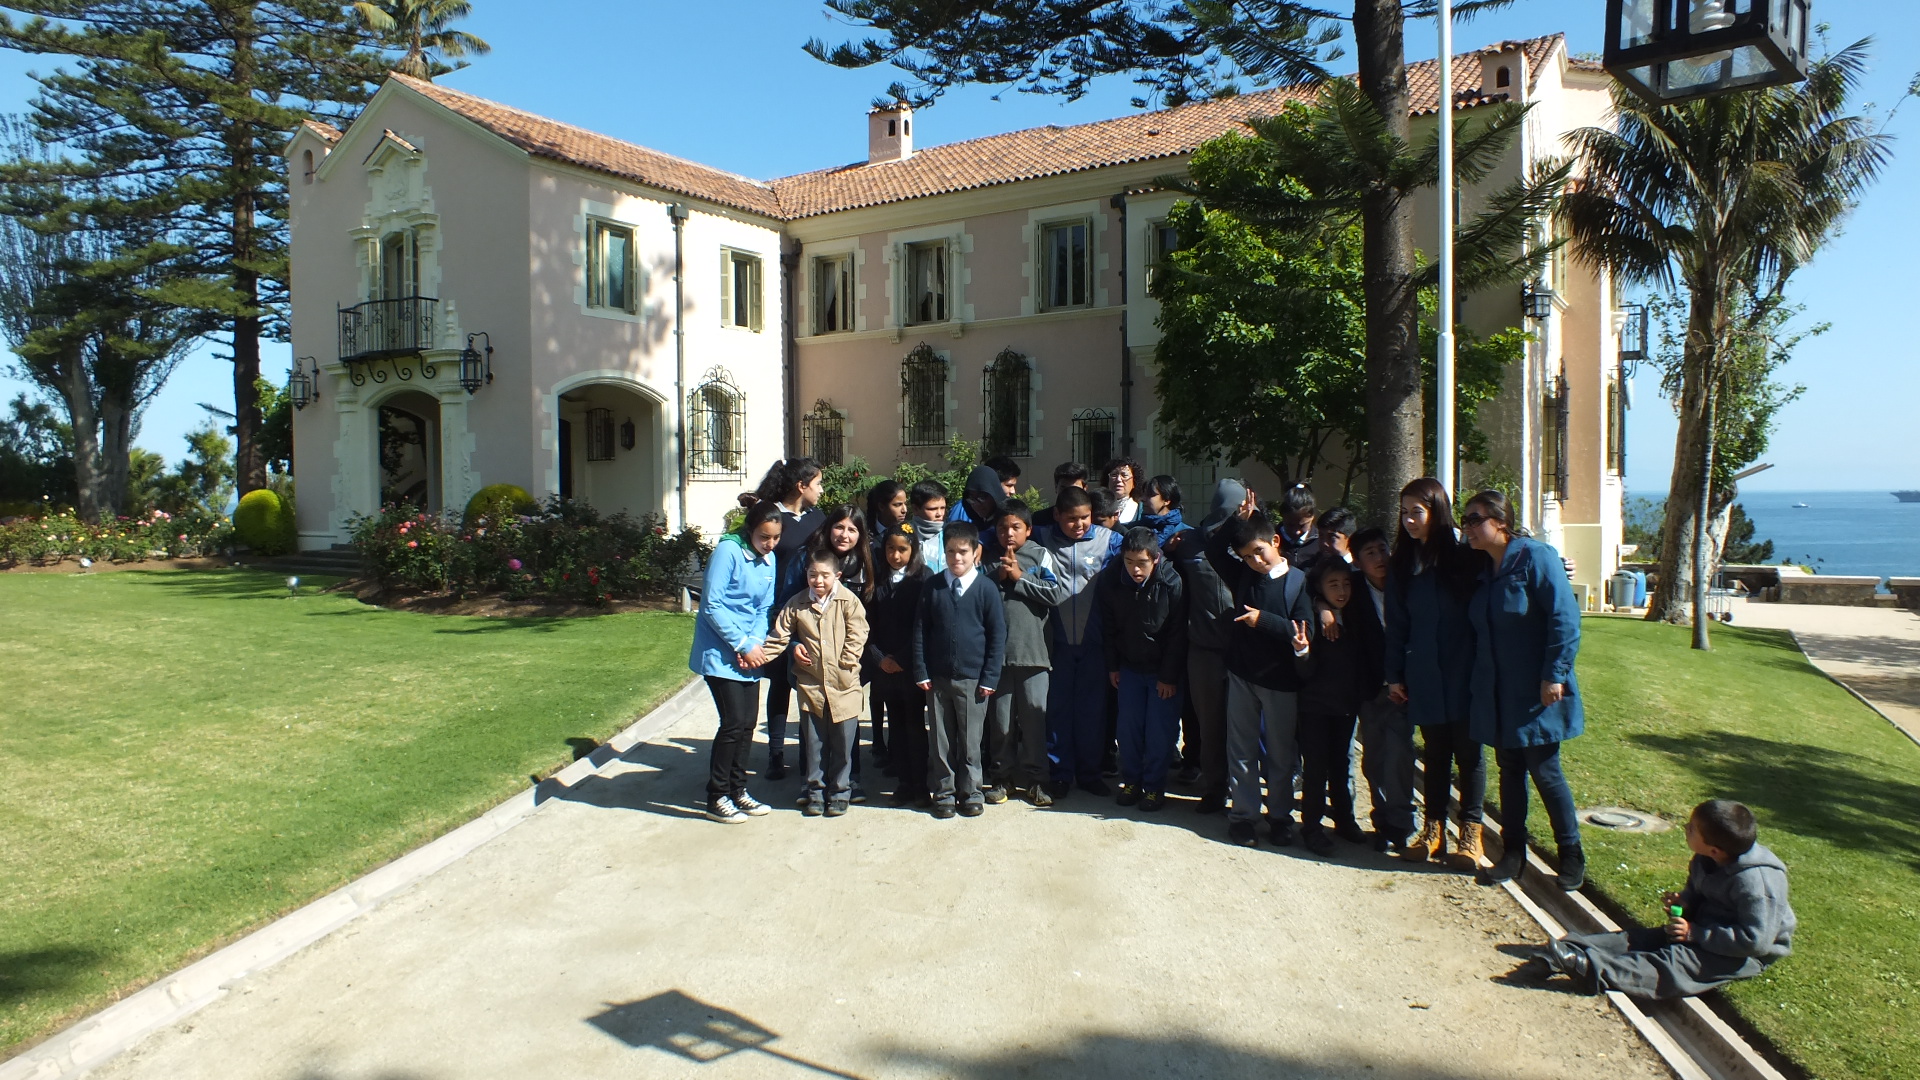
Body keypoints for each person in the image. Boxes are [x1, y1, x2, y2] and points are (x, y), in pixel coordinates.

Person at [1531, 800, 1795, 999]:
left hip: (1741, 953)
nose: (1685, 828)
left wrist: (1695, 933)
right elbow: (1698, 890)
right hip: (1703, 930)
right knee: (1637, 940)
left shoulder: (1757, 883)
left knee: (1673, 963)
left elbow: (1756, 941)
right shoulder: (1705, 859)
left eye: (1691, 829)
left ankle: (1589, 968)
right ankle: (1571, 949)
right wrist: (1687, 903)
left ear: (1714, 848)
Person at [1460, 489, 1587, 890]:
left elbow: (1564, 619)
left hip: (1536, 691)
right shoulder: (1483, 568)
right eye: (1465, 520)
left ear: (1500, 520)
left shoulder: (1536, 557)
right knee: (1510, 771)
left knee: (1545, 771)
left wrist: (1556, 674)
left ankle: (1571, 854)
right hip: (1497, 692)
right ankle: (1513, 854)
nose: (1468, 528)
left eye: (1475, 519)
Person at [1385, 476, 1486, 868]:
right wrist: (1395, 673)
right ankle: (1433, 831)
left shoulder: (1465, 556)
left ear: (1436, 512)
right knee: (1436, 753)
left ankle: (1471, 835)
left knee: (1469, 754)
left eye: (1417, 512)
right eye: (1404, 512)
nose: (1409, 520)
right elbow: (1397, 623)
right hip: (1423, 673)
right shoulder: (1402, 563)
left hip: (1464, 672)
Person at [1208, 490, 1314, 847]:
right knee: (1241, 750)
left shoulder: (1298, 581)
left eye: (1260, 552)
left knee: (1282, 754)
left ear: (1275, 541)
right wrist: (1240, 520)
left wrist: (1261, 620)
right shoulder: (1243, 575)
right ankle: (1243, 816)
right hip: (1241, 674)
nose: (1255, 561)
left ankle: (1281, 817)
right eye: (1247, 556)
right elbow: (1212, 551)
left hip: (1280, 681)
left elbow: (1302, 631)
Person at [689, 499, 782, 824]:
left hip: (749, 652)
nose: (769, 544)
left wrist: (754, 644)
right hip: (720, 651)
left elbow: (764, 608)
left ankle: (738, 790)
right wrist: (740, 644)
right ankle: (717, 796)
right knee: (732, 724)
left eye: (775, 538)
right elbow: (711, 605)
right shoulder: (728, 552)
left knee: (747, 724)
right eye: (763, 537)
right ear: (750, 531)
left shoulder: (769, 560)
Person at [760, 548, 870, 817]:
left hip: (844, 686)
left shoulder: (849, 601)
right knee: (814, 744)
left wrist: (846, 663)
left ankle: (840, 791)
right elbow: (780, 635)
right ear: (806, 575)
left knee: (844, 745)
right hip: (812, 686)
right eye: (813, 575)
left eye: (824, 576)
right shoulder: (797, 604)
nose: (818, 581)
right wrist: (759, 655)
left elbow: (859, 633)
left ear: (837, 575)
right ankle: (814, 791)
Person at [911, 520, 1007, 818]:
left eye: (963, 552)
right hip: (938, 679)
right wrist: (921, 670)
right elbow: (920, 631)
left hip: (974, 680)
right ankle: (944, 794)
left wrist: (990, 677)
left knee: (970, 742)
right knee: (940, 741)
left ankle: (971, 792)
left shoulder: (986, 589)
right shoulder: (933, 586)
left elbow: (997, 635)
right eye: (951, 551)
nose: (956, 558)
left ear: (976, 552)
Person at [1162, 479, 1246, 815]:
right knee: (1210, 726)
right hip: (1204, 651)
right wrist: (1167, 547)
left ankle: (1244, 790)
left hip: (1244, 652)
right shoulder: (1189, 542)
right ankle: (1214, 788)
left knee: (1243, 727)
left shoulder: (1249, 541)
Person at [1098, 527, 1188, 811]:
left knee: (1159, 733)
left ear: (1156, 559)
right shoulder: (1112, 581)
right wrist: (1113, 666)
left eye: (1142, 563)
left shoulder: (1171, 583)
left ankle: (1154, 787)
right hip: (1129, 669)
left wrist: (1168, 676)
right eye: (1129, 562)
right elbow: (1109, 629)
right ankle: (1132, 781)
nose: (1135, 570)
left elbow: (1177, 634)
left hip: (1162, 673)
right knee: (1128, 731)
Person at [984, 500, 1064, 805]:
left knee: (1033, 720)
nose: (1008, 533)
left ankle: (1037, 780)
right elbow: (975, 595)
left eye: (1016, 526)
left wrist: (1020, 578)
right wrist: (997, 578)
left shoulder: (1040, 555)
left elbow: (1055, 594)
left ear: (1028, 530)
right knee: (1000, 723)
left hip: (1034, 654)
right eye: (1003, 527)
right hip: (996, 658)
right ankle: (1001, 778)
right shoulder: (986, 556)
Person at [1039, 486, 1117, 797]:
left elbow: (1146, 556)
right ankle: (1059, 773)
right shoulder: (1041, 538)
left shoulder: (1110, 540)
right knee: (1057, 710)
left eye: (1085, 517)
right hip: (1056, 643)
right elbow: (1006, 533)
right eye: (1071, 519)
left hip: (1093, 643)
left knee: (1091, 712)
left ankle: (1089, 772)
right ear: (1057, 515)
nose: (1079, 524)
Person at [750, 458, 824, 781]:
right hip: (779, 612)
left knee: (811, 681)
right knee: (780, 682)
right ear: (801, 486)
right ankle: (776, 753)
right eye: (818, 484)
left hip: (812, 613)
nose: (821, 491)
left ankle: (814, 754)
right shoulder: (773, 517)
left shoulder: (818, 519)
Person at [1294, 559, 1375, 854]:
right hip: (1315, 706)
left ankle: (1344, 819)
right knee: (1315, 768)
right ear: (1319, 588)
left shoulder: (1355, 615)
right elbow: (1304, 670)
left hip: (1346, 705)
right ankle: (1311, 827)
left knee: (1342, 764)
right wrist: (1302, 651)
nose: (1341, 591)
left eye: (1346, 584)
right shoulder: (1311, 619)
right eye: (1333, 585)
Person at [801, 505, 876, 799]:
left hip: (851, 657)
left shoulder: (867, 563)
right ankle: (811, 785)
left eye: (852, 529)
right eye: (839, 527)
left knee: (846, 718)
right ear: (829, 527)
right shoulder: (809, 561)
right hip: (813, 658)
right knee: (814, 723)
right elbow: (788, 608)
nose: (844, 535)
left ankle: (847, 781)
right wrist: (794, 646)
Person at [1350, 526, 1415, 851]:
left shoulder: (1406, 586)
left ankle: (1402, 823)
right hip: (1371, 689)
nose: (1380, 558)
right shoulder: (1354, 592)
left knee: (1400, 755)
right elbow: (1319, 584)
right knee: (1374, 758)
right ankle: (1382, 820)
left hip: (1404, 689)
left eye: (1382, 549)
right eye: (1370, 553)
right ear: (1357, 562)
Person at [867, 522, 931, 806]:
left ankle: (920, 785)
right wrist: (880, 659)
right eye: (890, 549)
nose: (895, 555)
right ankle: (904, 782)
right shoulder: (875, 579)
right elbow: (866, 625)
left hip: (911, 665)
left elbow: (925, 625)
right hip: (885, 667)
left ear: (913, 550)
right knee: (896, 724)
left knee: (915, 724)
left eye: (902, 549)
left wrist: (903, 658)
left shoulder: (923, 579)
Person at [1294, 506, 1356, 575]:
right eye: (1321, 536)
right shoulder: (1307, 570)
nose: (1324, 543)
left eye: (1332, 538)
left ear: (1350, 539)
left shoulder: (1361, 571)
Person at [1032, 461, 1089, 533]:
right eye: (1064, 488)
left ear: (1085, 489)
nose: (1068, 494)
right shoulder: (1039, 520)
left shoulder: (1093, 520)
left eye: (1074, 489)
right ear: (1056, 487)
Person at [908, 479, 949, 573]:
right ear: (915, 509)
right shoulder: (904, 533)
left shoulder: (952, 533)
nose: (939, 514)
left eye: (942, 508)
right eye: (932, 509)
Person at [1138, 475, 1189, 546]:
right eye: (1143, 494)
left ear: (1166, 500)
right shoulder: (1134, 530)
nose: (1142, 499)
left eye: (1149, 495)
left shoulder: (1185, 534)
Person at [1277, 483, 1318, 562]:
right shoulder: (1271, 541)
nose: (1296, 531)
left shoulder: (1320, 545)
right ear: (1282, 515)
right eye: (1290, 525)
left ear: (1312, 517)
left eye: (1302, 525)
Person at [1104, 457, 1145, 527]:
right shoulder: (1097, 507)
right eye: (1114, 475)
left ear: (1134, 482)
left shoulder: (1141, 510)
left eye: (1124, 475)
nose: (1118, 479)